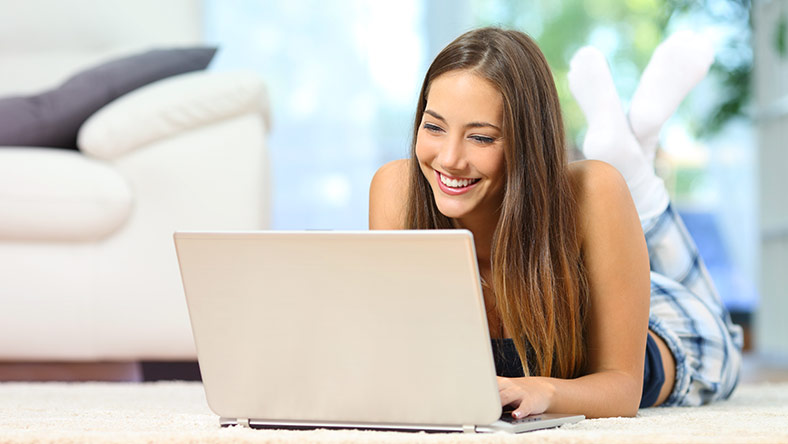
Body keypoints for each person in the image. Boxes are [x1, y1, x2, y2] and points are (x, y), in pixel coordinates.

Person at [368, 27, 742, 419]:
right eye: (433, 127)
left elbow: (623, 388)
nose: (448, 159)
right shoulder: (398, 191)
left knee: (725, 337)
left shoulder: (595, 191)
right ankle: (637, 152)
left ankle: (638, 174)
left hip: (675, 329)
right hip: (601, 280)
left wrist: (544, 390)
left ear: (528, 143)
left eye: (481, 138)